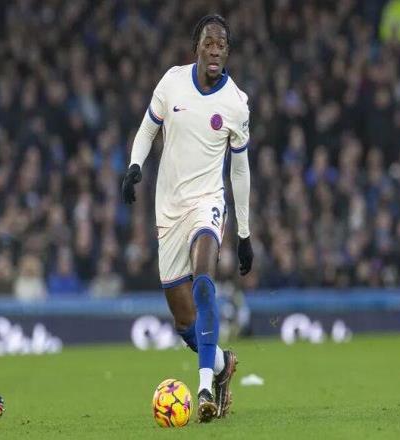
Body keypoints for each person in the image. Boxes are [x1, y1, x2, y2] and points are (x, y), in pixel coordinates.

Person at [121, 14, 253, 422]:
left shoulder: (236, 103)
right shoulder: (172, 82)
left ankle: (205, 389)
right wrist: (134, 166)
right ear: (197, 46)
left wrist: (244, 233)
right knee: (183, 321)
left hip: (207, 203)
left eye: (221, 45)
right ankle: (222, 364)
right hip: (169, 210)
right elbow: (147, 129)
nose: (214, 50)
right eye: (208, 43)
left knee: (204, 282)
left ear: (227, 52)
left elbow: (240, 170)